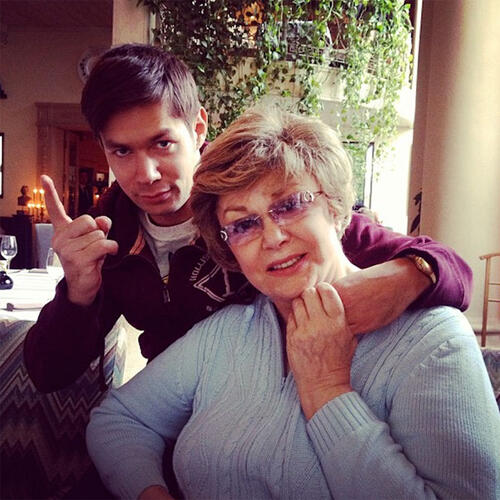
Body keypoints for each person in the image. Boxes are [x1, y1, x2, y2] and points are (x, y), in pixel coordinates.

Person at [86, 109, 500, 500]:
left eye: (289, 205)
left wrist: (327, 390)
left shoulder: (433, 342)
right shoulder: (227, 331)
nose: (272, 237)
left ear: (335, 208)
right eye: (243, 224)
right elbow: (118, 420)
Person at [24, 43, 472, 396]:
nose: (147, 175)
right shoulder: (108, 236)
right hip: (174, 406)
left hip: (277, 396)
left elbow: (451, 268)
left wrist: (407, 276)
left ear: (198, 128)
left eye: (162, 143)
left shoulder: (254, 197)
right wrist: (78, 293)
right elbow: (47, 374)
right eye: (121, 151)